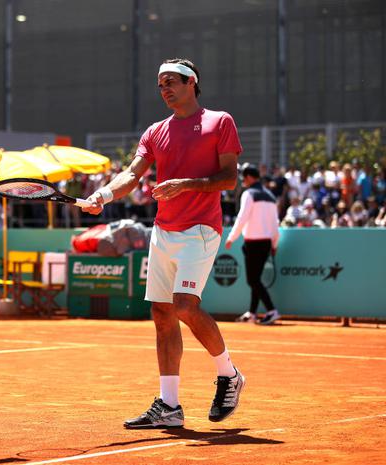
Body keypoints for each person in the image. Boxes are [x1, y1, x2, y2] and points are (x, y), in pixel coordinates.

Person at [83, 58, 244, 429]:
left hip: (201, 229)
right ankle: (169, 405)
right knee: (161, 315)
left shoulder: (220, 122)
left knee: (186, 307)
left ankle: (229, 374)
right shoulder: (155, 131)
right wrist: (104, 195)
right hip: (163, 231)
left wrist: (185, 184)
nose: (165, 89)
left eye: (171, 81)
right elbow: (132, 172)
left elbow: (229, 178)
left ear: (192, 82)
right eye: (160, 85)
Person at [225, 164, 281, 325]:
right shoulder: (270, 195)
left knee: (253, 280)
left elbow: (242, 217)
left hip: (253, 244)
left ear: (249, 177)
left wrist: (231, 237)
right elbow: (275, 224)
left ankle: (272, 310)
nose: (242, 180)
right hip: (266, 244)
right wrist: (274, 244)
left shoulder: (249, 194)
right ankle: (252, 313)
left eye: (243, 177)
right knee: (255, 279)